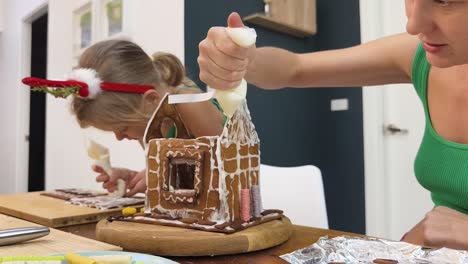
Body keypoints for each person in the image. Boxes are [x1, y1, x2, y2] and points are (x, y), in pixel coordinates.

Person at [197, 1, 468, 250]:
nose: (413, 25)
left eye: (444, 0)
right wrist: (242, 59)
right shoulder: (421, 56)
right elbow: (296, 68)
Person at [28, 39, 225, 197]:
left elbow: (226, 173)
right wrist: (137, 177)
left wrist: (161, 176)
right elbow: (185, 182)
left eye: (122, 128)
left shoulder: (190, 103)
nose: (119, 138)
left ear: (150, 99)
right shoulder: (149, 116)